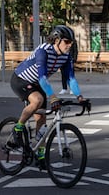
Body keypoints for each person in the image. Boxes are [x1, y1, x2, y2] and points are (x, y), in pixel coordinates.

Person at [10, 25, 86, 169]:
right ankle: (18, 128)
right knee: (38, 100)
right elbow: (43, 77)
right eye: (66, 41)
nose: (69, 45)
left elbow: (71, 78)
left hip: (37, 83)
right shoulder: (43, 51)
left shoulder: (65, 56)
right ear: (56, 40)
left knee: (42, 120)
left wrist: (80, 97)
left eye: (71, 42)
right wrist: (52, 96)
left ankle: (40, 155)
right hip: (21, 79)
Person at [59, 27, 78, 94]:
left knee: (71, 75)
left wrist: (74, 59)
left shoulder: (73, 41)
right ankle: (64, 88)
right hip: (62, 59)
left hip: (70, 59)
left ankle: (72, 89)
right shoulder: (61, 41)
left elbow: (75, 51)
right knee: (63, 74)